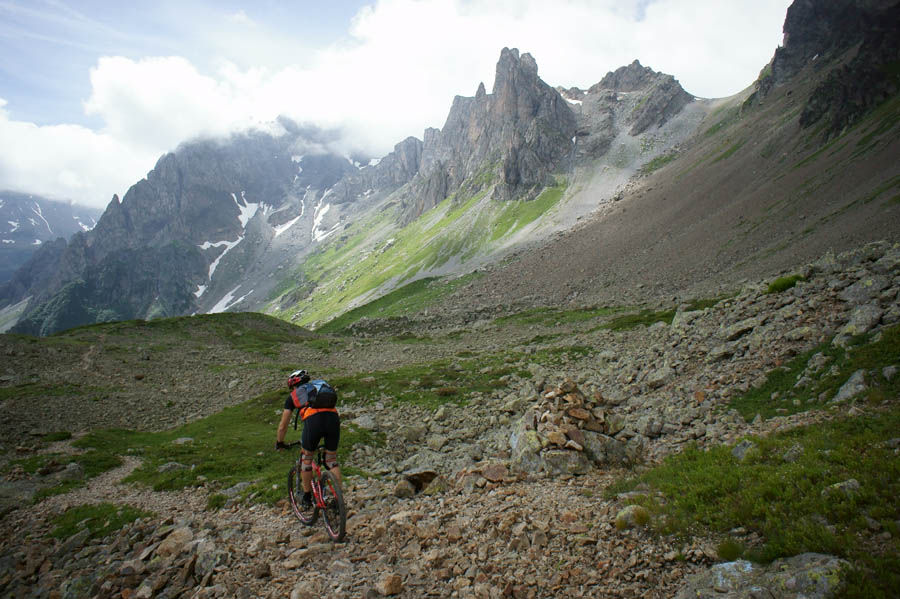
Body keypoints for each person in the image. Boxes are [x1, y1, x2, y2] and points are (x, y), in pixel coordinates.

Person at [275, 369, 342, 508]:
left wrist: (280, 442)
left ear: (294, 385)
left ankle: (307, 497)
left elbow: (283, 425)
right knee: (331, 460)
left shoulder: (294, 395)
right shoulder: (319, 387)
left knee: (306, 460)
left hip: (314, 421)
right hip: (333, 418)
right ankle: (339, 500)